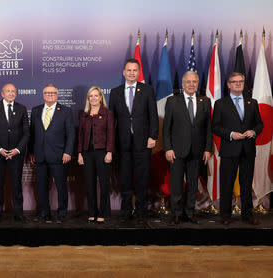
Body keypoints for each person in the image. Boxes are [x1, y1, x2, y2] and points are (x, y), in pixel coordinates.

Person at [109, 58, 158, 223]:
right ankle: (126, 209)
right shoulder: (115, 92)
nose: (131, 73)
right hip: (122, 143)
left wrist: (153, 136)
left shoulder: (147, 90)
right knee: (125, 177)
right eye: (128, 70)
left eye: (134, 70)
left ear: (138, 73)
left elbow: (153, 115)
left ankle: (141, 209)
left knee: (142, 177)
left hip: (143, 142)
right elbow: (112, 120)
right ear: (124, 73)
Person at [212, 72, 263, 225]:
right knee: (227, 183)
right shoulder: (221, 103)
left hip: (248, 149)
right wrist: (231, 134)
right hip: (229, 149)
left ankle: (247, 215)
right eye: (234, 82)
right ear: (228, 84)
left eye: (241, 81)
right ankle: (225, 215)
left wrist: (254, 132)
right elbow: (215, 127)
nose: (238, 84)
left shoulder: (252, 102)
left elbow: (259, 124)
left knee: (246, 184)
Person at [163, 71, 212, 225]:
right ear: (183, 84)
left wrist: (207, 149)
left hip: (197, 150)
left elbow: (208, 128)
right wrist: (168, 148)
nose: (192, 84)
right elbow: (166, 129)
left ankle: (189, 213)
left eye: (195, 82)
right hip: (176, 151)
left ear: (198, 84)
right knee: (176, 183)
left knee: (192, 184)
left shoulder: (205, 101)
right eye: (188, 82)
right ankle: (176, 213)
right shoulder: (172, 101)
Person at [29, 84, 75, 223]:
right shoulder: (36, 110)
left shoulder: (65, 111)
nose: (50, 95)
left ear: (57, 95)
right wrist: (31, 152)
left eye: (53, 93)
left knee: (61, 186)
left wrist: (68, 152)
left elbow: (71, 134)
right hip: (40, 156)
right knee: (42, 187)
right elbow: (32, 134)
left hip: (59, 155)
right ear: (43, 95)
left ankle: (62, 213)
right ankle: (44, 213)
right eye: (47, 93)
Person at [0, 83, 30, 224]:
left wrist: (17, 150)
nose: (11, 94)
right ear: (2, 93)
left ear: (16, 94)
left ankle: (18, 213)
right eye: (8, 91)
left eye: (13, 91)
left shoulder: (22, 109)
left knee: (16, 184)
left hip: (16, 154)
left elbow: (26, 133)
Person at [77, 86, 115, 223]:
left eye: (95, 95)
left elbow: (111, 134)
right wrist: (80, 153)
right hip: (87, 153)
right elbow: (80, 135)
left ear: (100, 97)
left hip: (102, 152)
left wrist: (109, 152)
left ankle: (103, 212)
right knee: (90, 183)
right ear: (88, 99)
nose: (93, 98)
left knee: (104, 184)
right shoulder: (84, 114)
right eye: (90, 96)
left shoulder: (108, 113)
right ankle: (92, 212)